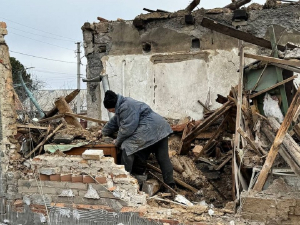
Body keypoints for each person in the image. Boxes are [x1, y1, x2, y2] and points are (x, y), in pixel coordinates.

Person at [99, 90, 175, 187]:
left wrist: (117, 141)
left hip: (150, 128)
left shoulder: (126, 106)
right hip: (161, 128)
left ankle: (125, 178)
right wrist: (103, 131)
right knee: (162, 158)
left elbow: (127, 129)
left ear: (114, 105)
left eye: (110, 110)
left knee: (127, 146)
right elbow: (114, 122)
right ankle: (170, 185)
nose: (111, 112)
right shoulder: (123, 103)